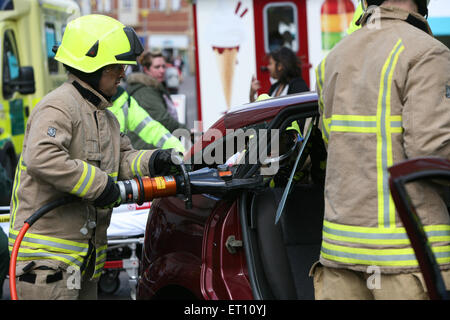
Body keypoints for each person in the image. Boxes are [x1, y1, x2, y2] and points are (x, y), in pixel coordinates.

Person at [8, 14, 181, 300]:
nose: (123, 74)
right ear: (93, 66)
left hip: (82, 265)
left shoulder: (105, 117)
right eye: (116, 67)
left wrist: (155, 161)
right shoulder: (59, 107)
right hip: (48, 268)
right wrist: (100, 187)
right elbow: (43, 157)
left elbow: (123, 159)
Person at [313, 0, 450, 299]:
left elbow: (331, 144)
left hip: (340, 257)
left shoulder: (332, 60)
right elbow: (433, 155)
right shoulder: (427, 52)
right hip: (408, 260)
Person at [109, 85, 185, 153]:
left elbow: (151, 128)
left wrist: (178, 150)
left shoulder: (122, 99)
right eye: (112, 70)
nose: (121, 75)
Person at [126, 51, 188, 133]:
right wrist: (187, 131)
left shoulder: (156, 87)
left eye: (163, 66)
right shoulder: (144, 91)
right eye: (157, 67)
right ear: (146, 69)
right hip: (147, 144)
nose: (162, 70)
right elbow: (163, 120)